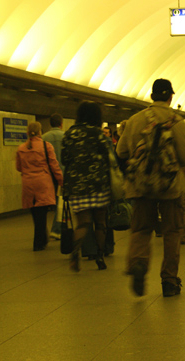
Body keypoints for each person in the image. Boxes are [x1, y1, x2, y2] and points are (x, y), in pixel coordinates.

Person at [116, 79, 185, 297]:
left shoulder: (134, 120)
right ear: (170, 97)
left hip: (140, 186)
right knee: (172, 232)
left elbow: (121, 153)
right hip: (171, 187)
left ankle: (138, 263)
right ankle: (169, 280)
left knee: (141, 229)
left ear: (151, 96)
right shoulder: (176, 121)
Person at [62, 102, 113, 272]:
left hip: (76, 184)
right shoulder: (97, 134)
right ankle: (99, 256)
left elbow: (64, 159)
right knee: (100, 222)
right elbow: (108, 158)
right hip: (98, 183)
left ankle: (75, 253)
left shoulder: (70, 134)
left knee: (83, 223)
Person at [16, 122, 64, 251]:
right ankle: (38, 242)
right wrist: (61, 180)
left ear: (27, 133)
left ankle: (42, 238)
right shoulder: (46, 146)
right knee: (42, 214)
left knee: (36, 213)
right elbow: (54, 165)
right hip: (43, 182)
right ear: (39, 132)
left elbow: (18, 167)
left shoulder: (21, 148)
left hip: (28, 183)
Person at [42, 113, 65, 239]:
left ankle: (43, 231)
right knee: (60, 203)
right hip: (63, 175)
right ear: (61, 123)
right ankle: (57, 229)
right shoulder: (66, 136)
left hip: (48, 176)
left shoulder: (43, 138)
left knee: (44, 204)